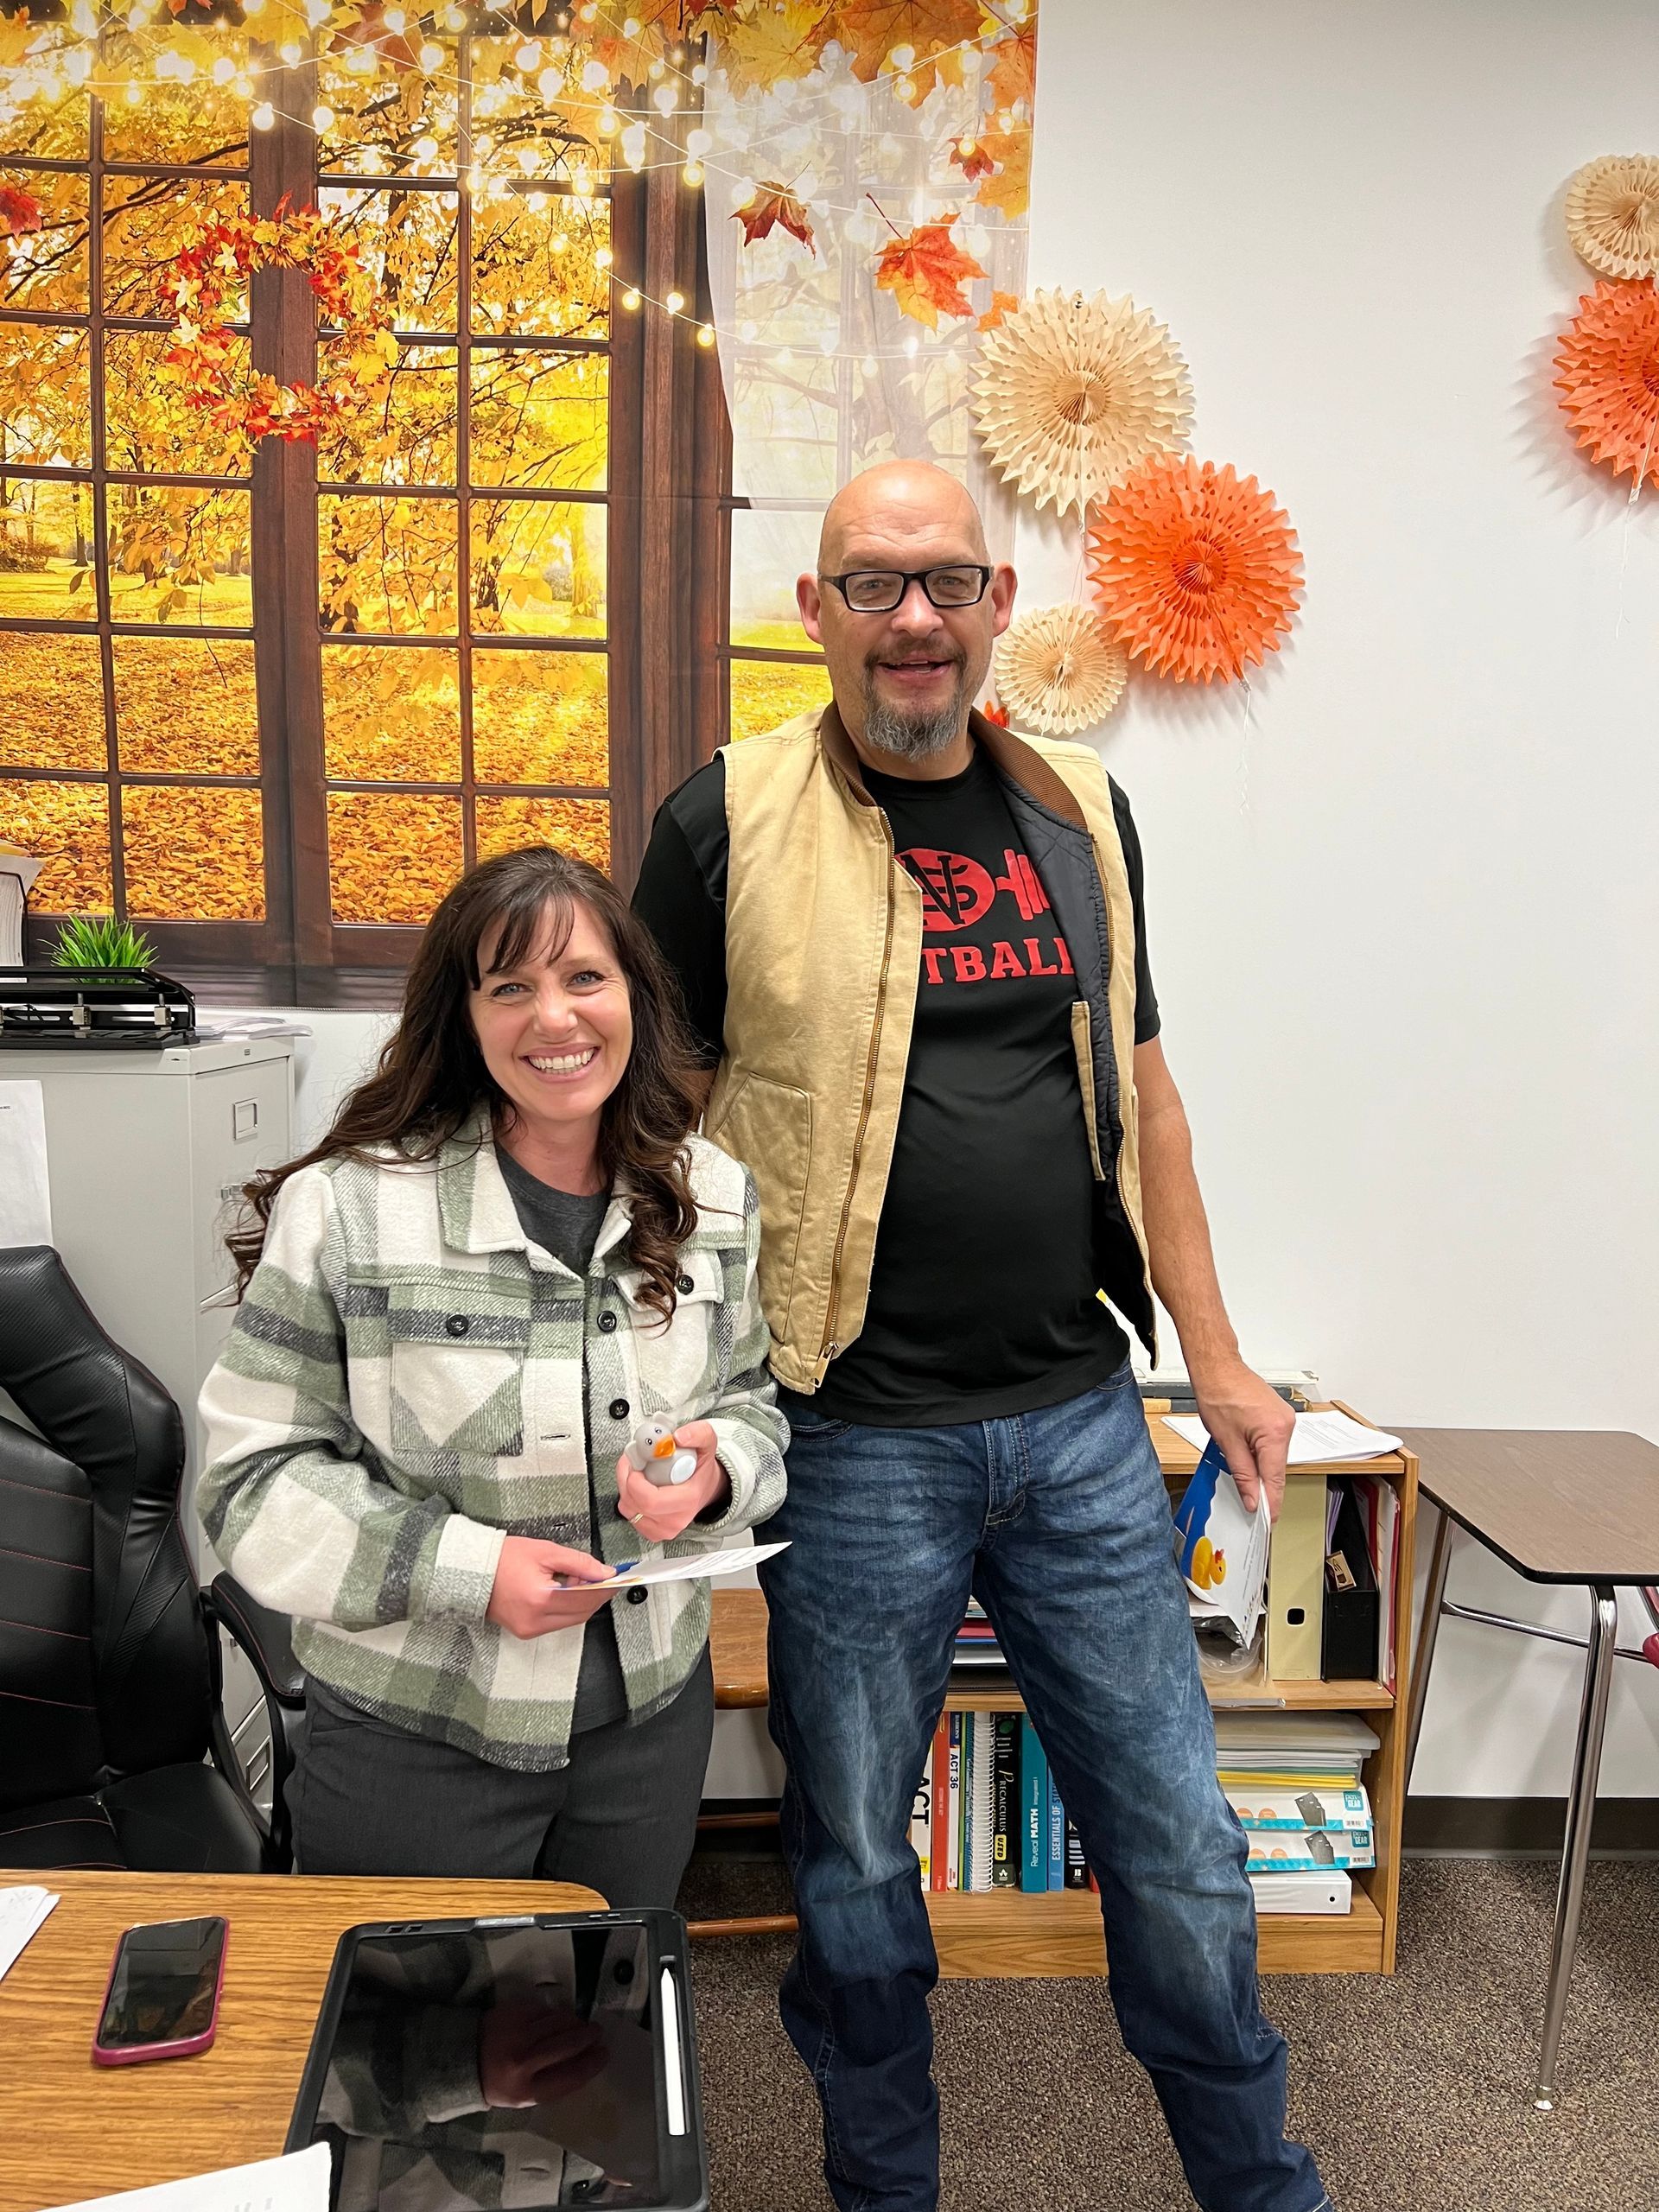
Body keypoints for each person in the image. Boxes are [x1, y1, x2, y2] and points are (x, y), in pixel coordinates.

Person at [632, 461, 1332, 2212]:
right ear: (817, 612)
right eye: (874, 584)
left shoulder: (1081, 809)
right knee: (858, 1857)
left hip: (1084, 1422)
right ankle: (886, 2191)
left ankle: (1259, 2184)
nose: (915, 617)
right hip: (852, 1432)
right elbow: (669, 1119)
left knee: (1178, 1838)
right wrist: (668, 1387)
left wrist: (1222, 1356)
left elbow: (1145, 1093)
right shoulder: (723, 818)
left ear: (1000, 597)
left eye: (944, 579)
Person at [198, 846, 786, 1905]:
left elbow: (752, 1402)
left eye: (584, 978)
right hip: (416, 1738)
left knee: (607, 2025)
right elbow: (253, 1481)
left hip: (648, 1727)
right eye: (510, 986)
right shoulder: (351, 1210)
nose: (554, 1018)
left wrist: (715, 1469)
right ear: (462, 1018)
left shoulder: (714, 1195)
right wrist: (468, 1571)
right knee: (410, 2046)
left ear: (637, 999)